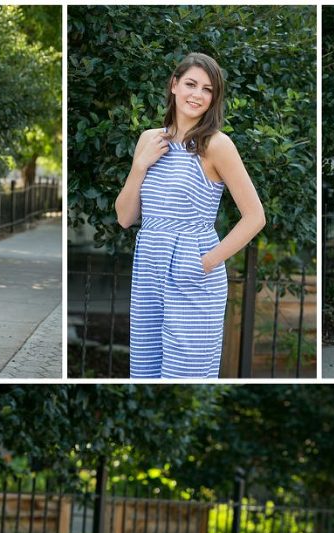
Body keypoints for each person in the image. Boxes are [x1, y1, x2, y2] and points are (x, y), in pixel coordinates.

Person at [115, 52, 266, 379]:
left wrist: (205, 263)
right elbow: (125, 217)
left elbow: (255, 216)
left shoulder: (216, 144)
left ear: (214, 98)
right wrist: (141, 165)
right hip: (149, 266)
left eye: (207, 89)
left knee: (186, 378)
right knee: (144, 374)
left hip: (192, 268)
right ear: (174, 86)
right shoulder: (149, 140)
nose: (197, 94)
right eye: (191, 84)